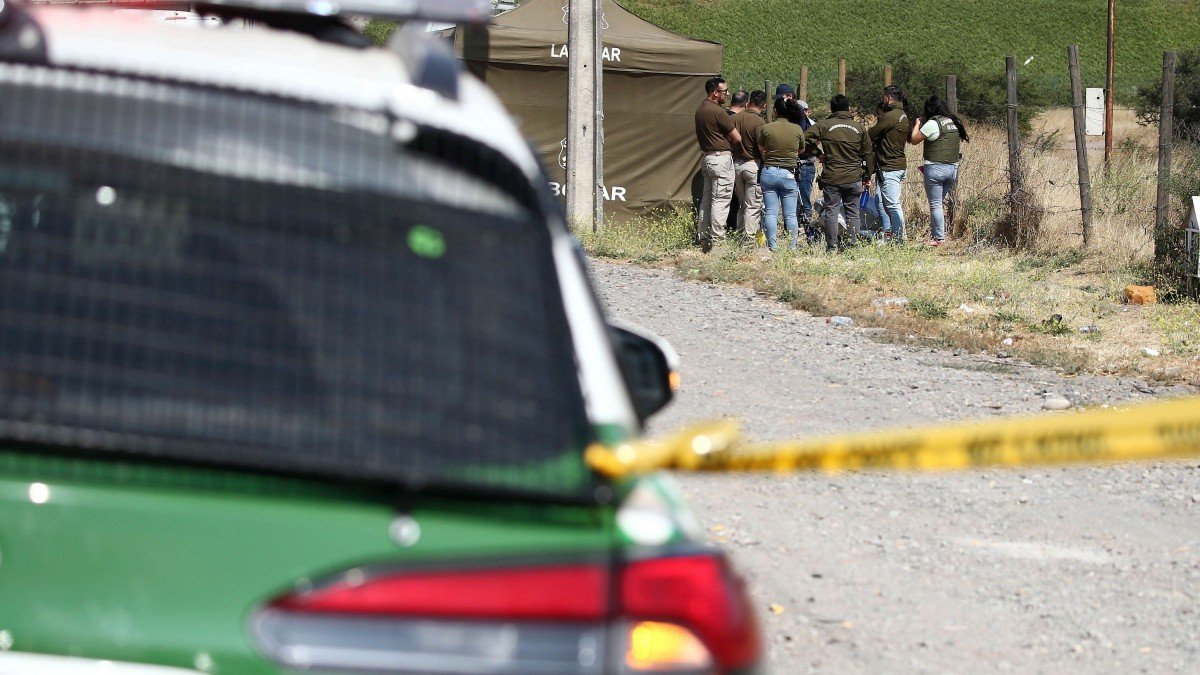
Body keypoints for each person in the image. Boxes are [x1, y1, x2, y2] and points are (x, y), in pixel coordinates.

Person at [805, 94, 874, 252]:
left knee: (831, 211)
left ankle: (832, 246)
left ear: (831, 108)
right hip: (854, 176)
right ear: (848, 108)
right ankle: (852, 246)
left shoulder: (824, 125)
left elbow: (803, 139)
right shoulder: (859, 128)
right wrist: (868, 175)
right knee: (853, 213)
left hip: (832, 176)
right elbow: (868, 153)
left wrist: (818, 153)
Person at [909, 94, 969, 247]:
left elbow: (914, 140)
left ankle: (939, 239)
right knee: (938, 203)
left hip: (935, 169)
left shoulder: (932, 123)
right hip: (952, 169)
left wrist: (917, 123)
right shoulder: (954, 121)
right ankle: (935, 235)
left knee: (935, 205)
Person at [694, 77, 741, 252]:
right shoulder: (718, 112)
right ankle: (718, 243)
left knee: (707, 201)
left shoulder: (700, 109)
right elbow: (737, 138)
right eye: (725, 91)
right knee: (720, 201)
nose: (727, 94)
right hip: (721, 159)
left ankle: (704, 240)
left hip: (707, 158)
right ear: (715, 93)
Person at [756, 98, 806, 251]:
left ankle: (772, 246)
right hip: (788, 174)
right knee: (790, 215)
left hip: (769, 172)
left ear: (775, 111)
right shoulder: (797, 129)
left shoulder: (767, 128)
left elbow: (761, 147)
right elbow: (802, 150)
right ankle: (791, 247)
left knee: (771, 212)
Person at [869, 85, 910, 243]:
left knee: (892, 205)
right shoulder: (903, 115)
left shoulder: (890, 116)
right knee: (885, 203)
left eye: (883, 98)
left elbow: (871, 134)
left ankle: (899, 238)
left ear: (888, 98)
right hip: (896, 165)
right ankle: (893, 235)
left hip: (890, 166)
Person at [730, 90, 767, 240]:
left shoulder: (734, 118)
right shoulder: (760, 122)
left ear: (749, 102)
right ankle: (749, 239)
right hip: (753, 165)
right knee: (753, 206)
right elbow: (762, 147)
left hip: (736, 164)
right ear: (764, 106)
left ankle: (740, 237)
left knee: (742, 205)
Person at [794, 99, 820, 242]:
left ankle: (805, 225)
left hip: (807, 165)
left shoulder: (812, 124)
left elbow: (817, 140)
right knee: (793, 198)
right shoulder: (793, 123)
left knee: (804, 198)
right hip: (794, 164)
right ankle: (794, 226)